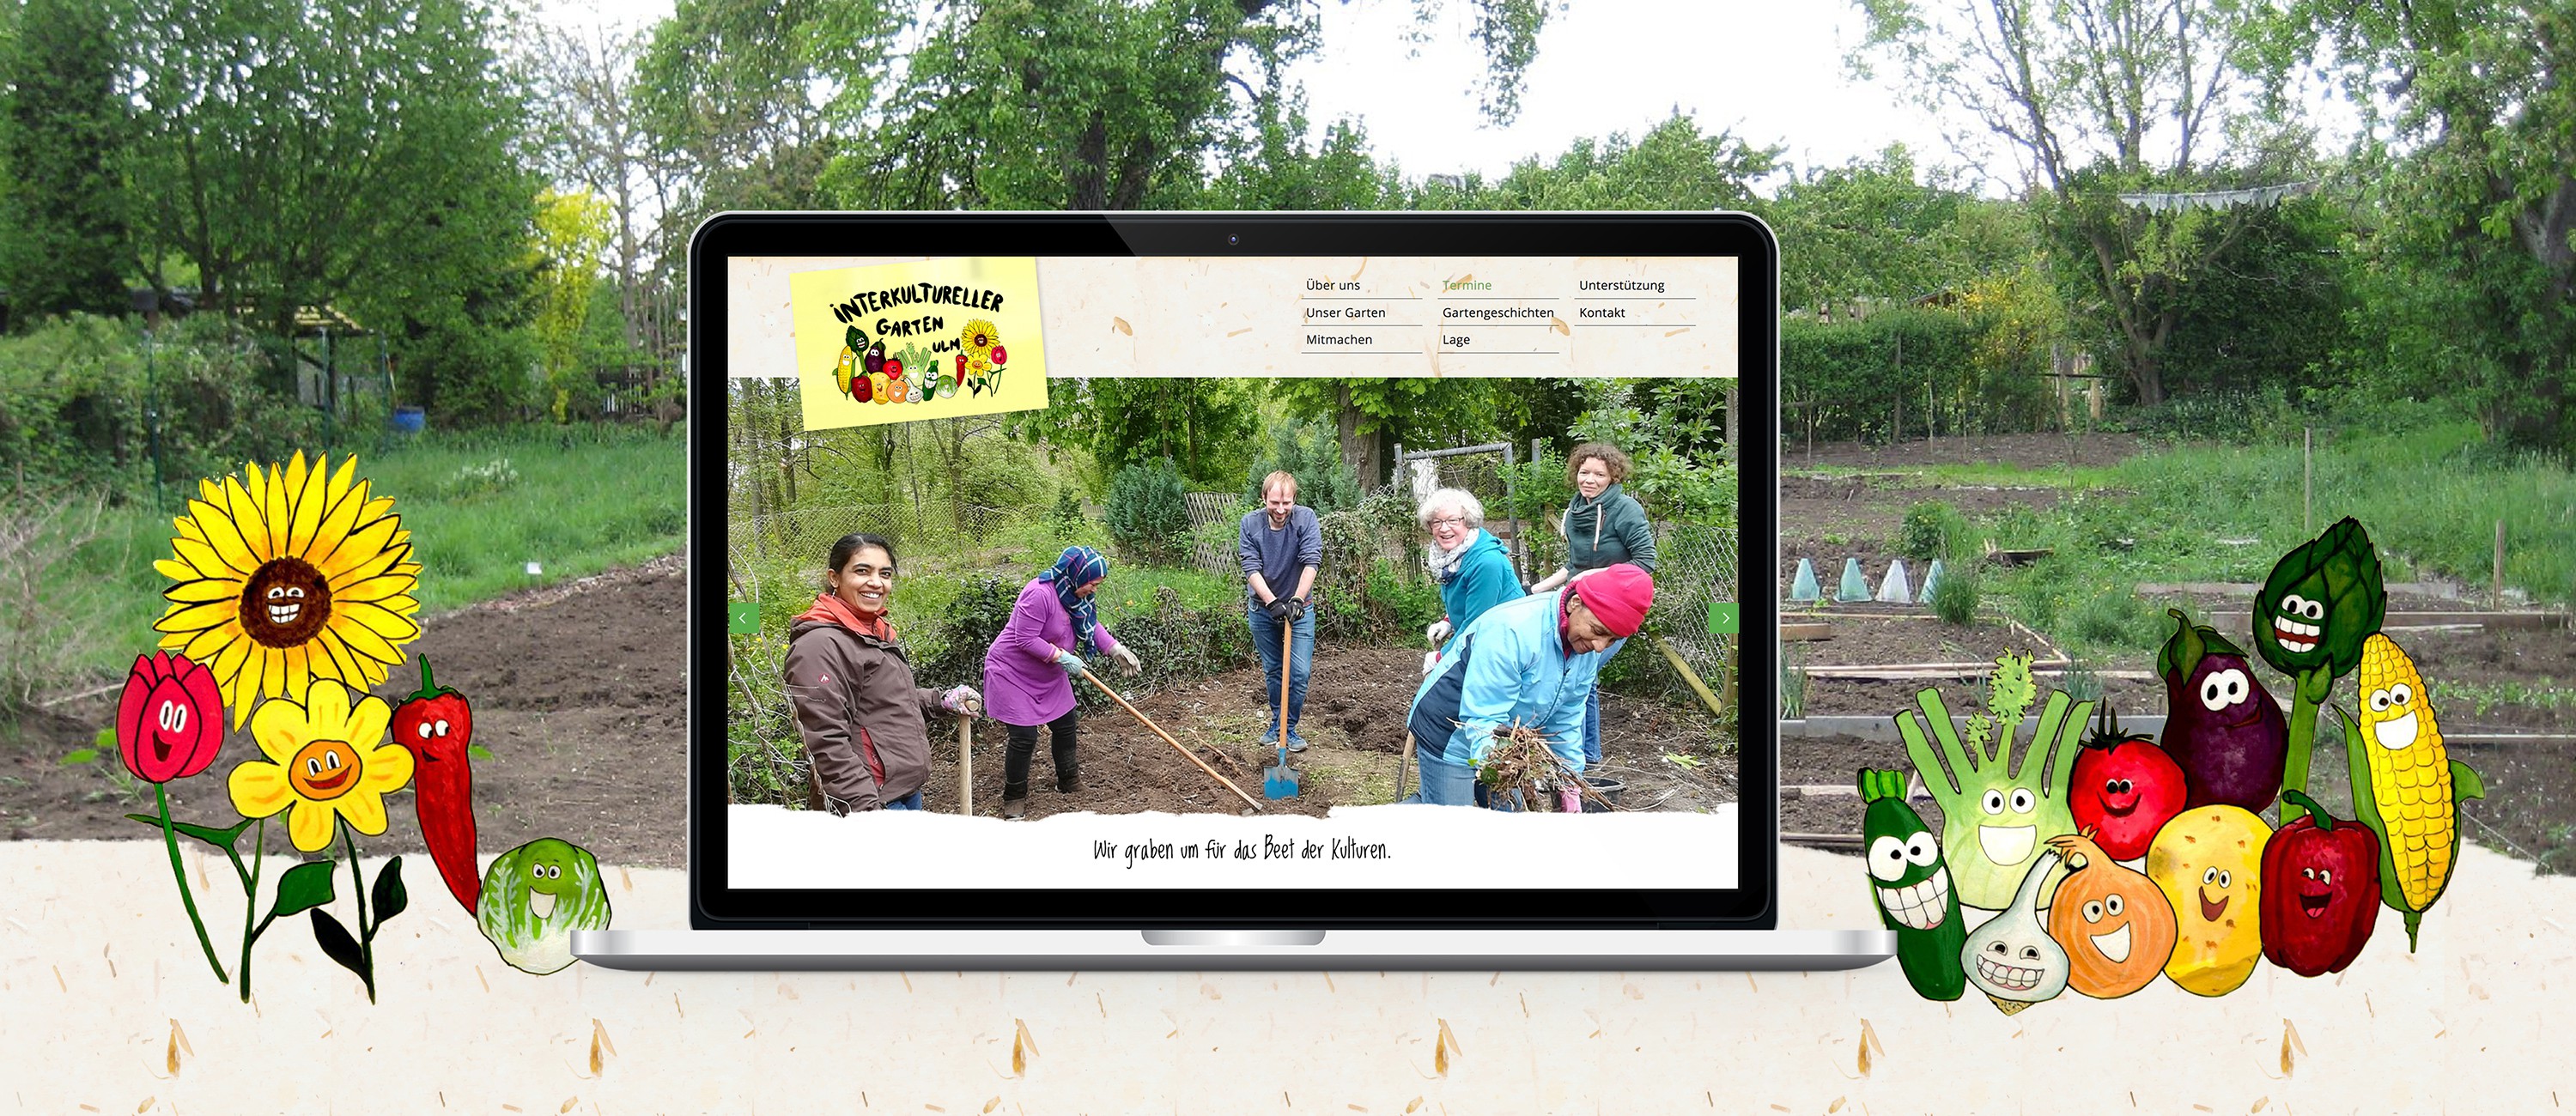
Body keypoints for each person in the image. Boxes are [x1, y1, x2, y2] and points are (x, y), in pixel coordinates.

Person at [1405, 564, 1656, 810]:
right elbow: (1483, 716)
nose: (1601, 646)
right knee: (1452, 825)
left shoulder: (1585, 647)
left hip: (1502, 737)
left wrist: (1569, 779)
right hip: (1450, 728)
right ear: (1575, 603)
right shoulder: (1514, 629)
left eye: (1612, 639)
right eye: (1598, 631)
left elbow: (1566, 716)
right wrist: (1497, 767)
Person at [783, 533, 982, 815]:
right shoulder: (819, 646)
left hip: (901, 791)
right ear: (834, 578)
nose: (876, 582)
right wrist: (868, 814)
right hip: (871, 802)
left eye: (885, 573)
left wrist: (940, 700)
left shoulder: (872, 630)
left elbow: (881, 700)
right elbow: (824, 741)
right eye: (862, 571)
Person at [1527, 443, 1659, 771]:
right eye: (1584, 472)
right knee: (1574, 675)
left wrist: (1590, 576)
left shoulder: (1626, 510)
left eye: (1599, 474)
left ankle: (1586, 758)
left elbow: (1645, 563)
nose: (1590, 480)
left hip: (1615, 610)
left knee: (1581, 676)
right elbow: (1573, 568)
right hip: (1580, 605)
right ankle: (1570, 754)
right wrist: (1535, 589)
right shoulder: (1575, 510)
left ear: (1613, 476)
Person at [983, 545, 1141, 818]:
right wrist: (1062, 656)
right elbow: (1025, 639)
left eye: (1098, 585)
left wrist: (1114, 648)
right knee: (1024, 737)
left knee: (1066, 724)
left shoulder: (1076, 597)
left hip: (1048, 674)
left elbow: (1089, 623)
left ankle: (1069, 781)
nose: (1094, 590)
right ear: (1077, 575)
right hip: (1011, 672)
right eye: (1092, 583)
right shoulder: (1039, 594)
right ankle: (1014, 798)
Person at [1240, 470, 1321, 752]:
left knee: (1298, 673)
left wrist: (1297, 599)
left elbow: (1312, 560)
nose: (1281, 509)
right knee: (1274, 669)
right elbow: (1250, 566)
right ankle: (1278, 725)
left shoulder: (1305, 519)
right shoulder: (1250, 524)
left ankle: (1288, 728)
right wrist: (1272, 602)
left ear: (1294, 500)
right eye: (1274, 502)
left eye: (1287, 503)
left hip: (1300, 609)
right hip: (1263, 610)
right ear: (1264, 498)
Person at [1417, 487, 1523, 677]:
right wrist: (1448, 621)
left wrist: (1439, 659)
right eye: (1437, 522)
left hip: (1507, 652)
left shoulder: (1486, 563)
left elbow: (1475, 626)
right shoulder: (1451, 558)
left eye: (1453, 520)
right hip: (1482, 645)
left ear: (1468, 521)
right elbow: (1469, 604)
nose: (1444, 528)